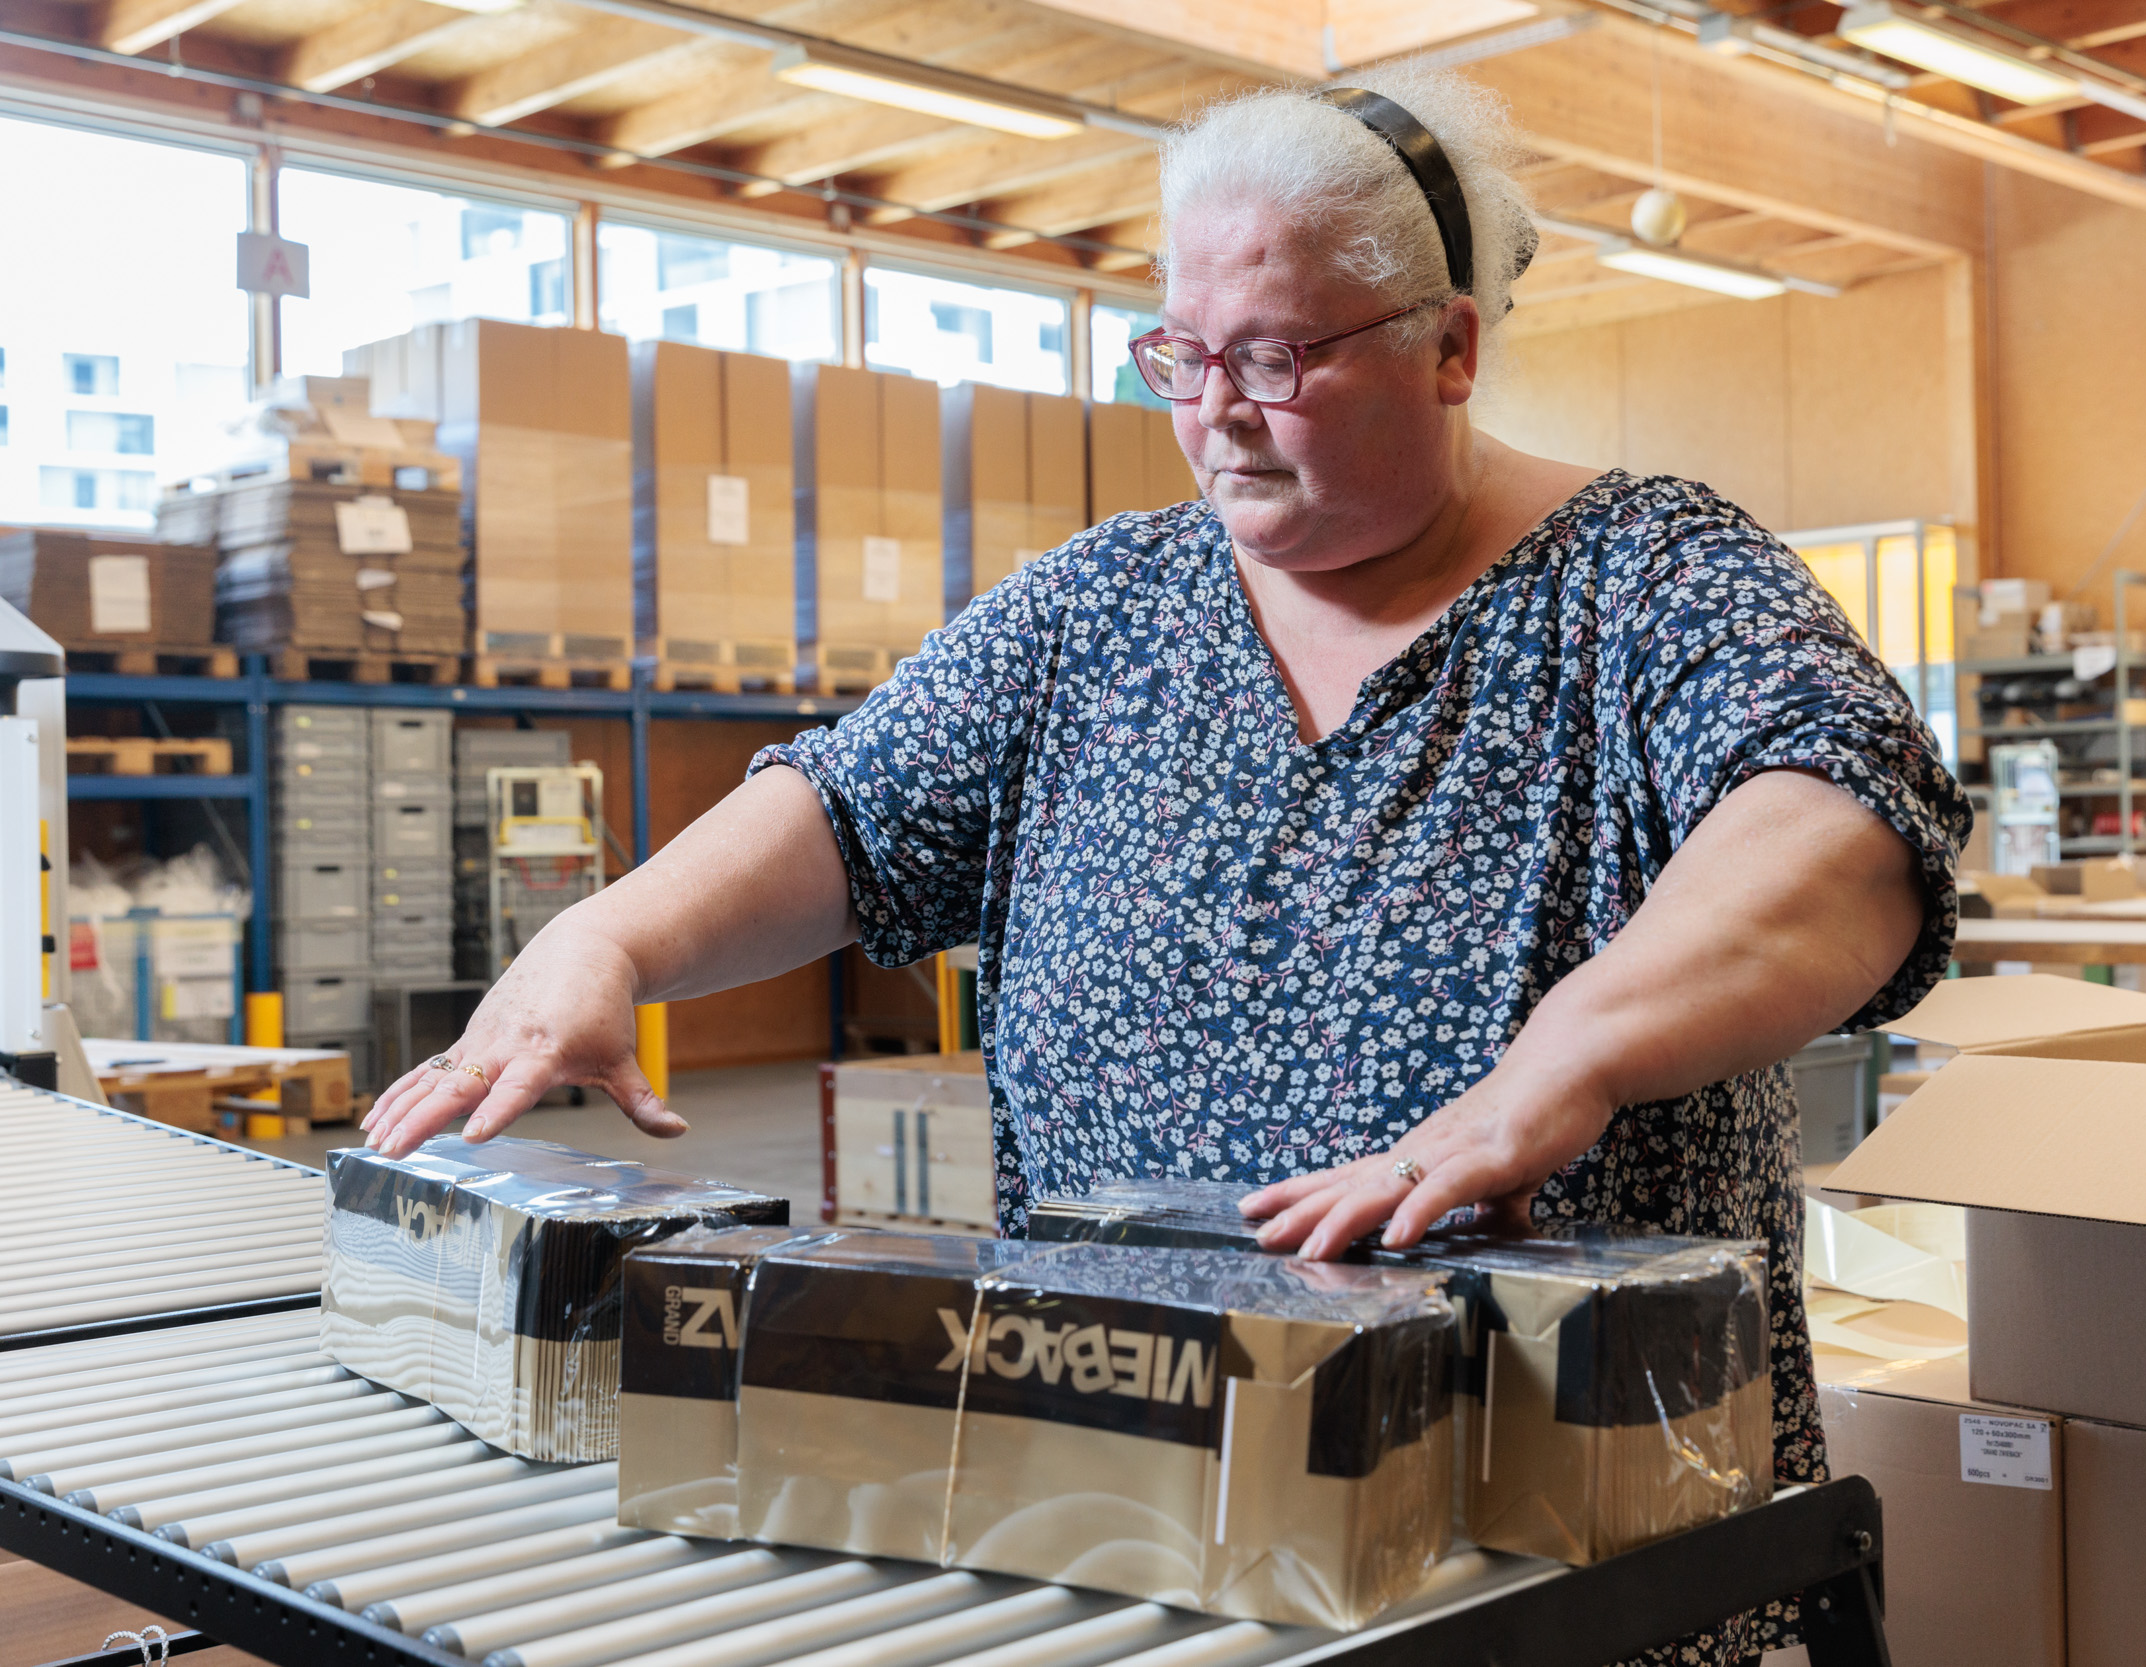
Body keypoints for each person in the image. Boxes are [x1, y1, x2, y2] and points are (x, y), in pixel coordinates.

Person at [366, 66, 1966, 1665]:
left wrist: (1569, 1056)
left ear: (1450, 346)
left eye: (1277, 356)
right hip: (1136, 1517)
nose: (1217, 408)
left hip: (1552, 1550)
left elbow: (1844, 826)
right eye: (1182, 357)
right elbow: (847, 812)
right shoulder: (1096, 612)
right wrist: (611, 940)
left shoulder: (1649, 576)